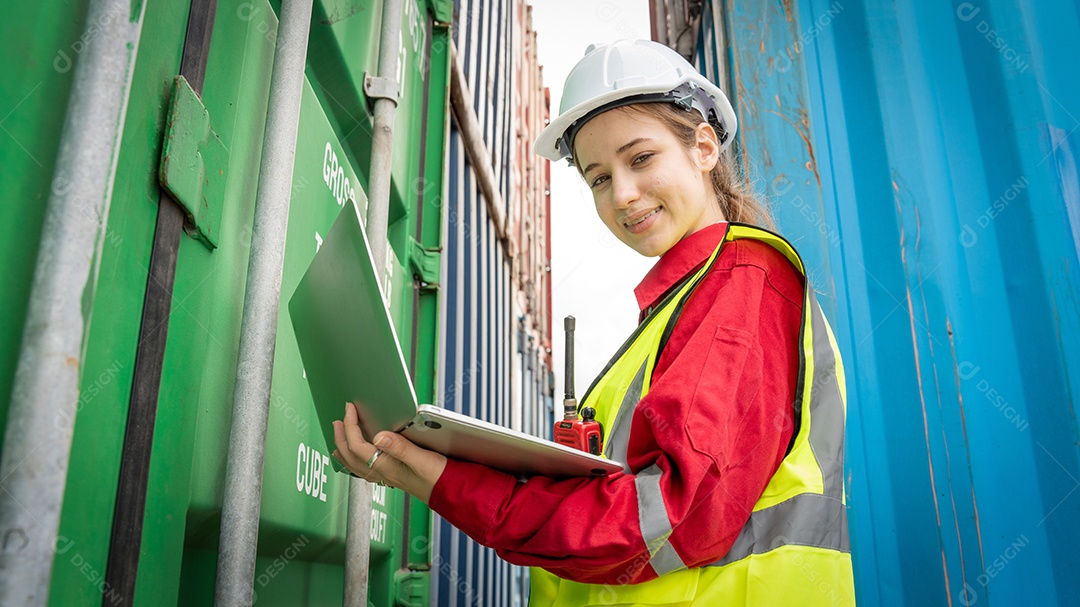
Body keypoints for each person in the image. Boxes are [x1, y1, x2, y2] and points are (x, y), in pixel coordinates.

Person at [333, 39, 855, 606]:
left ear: (704, 147)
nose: (623, 195)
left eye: (640, 158)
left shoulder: (744, 281)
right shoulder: (677, 311)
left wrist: (443, 481)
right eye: (599, 178)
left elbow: (671, 519)